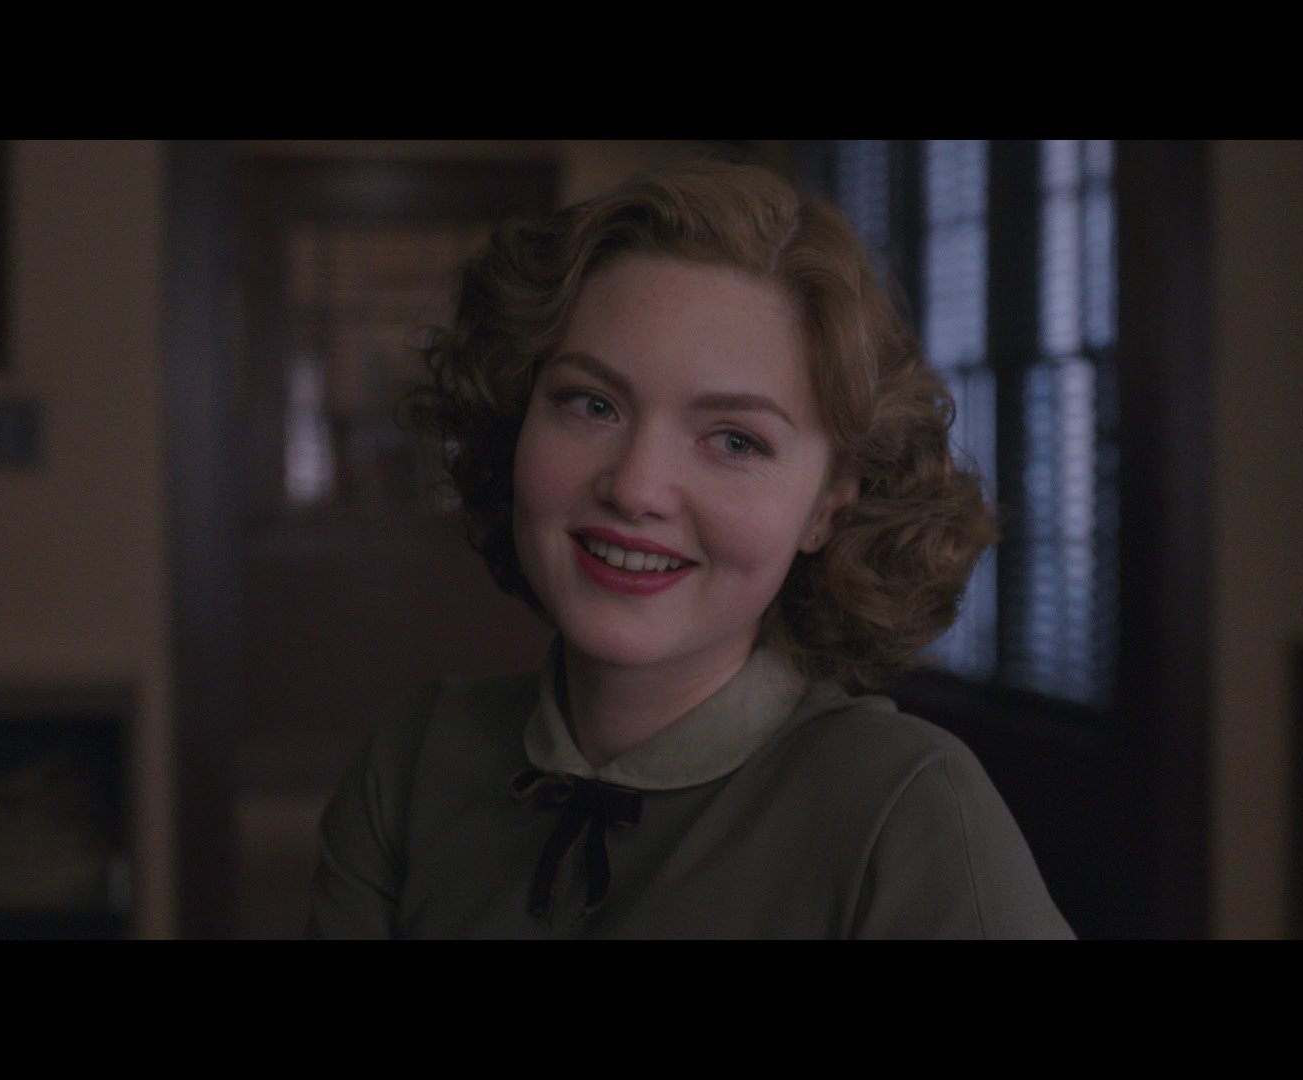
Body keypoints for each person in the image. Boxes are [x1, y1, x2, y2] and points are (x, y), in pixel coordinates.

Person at [306, 158, 1073, 939]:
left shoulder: (909, 808)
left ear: (826, 509)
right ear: (516, 420)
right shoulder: (415, 760)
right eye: (592, 404)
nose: (637, 487)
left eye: (735, 440)